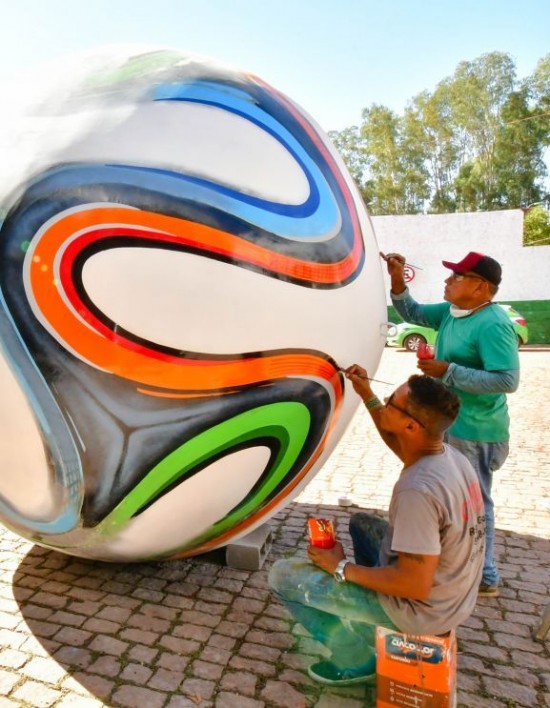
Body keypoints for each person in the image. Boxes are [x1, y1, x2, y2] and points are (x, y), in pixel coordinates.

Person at [269, 369, 485, 687]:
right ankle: (370, 612)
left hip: (419, 611)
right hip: (452, 594)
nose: (385, 403)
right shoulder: (446, 455)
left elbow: (414, 585)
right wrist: (366, 393)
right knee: (361, 525)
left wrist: (340, 567)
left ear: (411, 425)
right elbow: (397, 440)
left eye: (391, 403)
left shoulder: (418, 491)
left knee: (284, 576)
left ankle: (356, 660)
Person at [384, 251, 519, 597]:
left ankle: (485, 574)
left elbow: (506, 380)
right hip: (452, 424)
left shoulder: (493, 324)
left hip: (477, 430)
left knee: (475, 501)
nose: (448, 282)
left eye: (457, 277)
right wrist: (397, 278)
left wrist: (449, 372)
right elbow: (412, 312)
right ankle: (453, 560)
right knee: (454, 497)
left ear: (480, 287)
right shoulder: (452, 312)